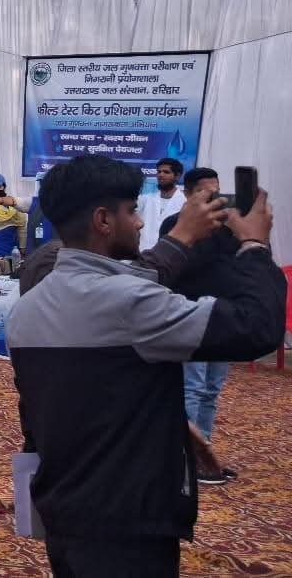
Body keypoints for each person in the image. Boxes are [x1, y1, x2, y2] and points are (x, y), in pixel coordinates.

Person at [7, 155, 283, 577]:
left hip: (64, 507)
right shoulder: (129, 303)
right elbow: (256, 328)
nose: (139, 223)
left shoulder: (27, 308)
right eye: (132, 211)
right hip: (126, 521)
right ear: (103, 220)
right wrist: (255, 245)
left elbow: (83, 393)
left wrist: (166, 419)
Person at [158, 167, 240, 481]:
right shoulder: (174, 225)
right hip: (190, 315)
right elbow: (182, 267)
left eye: (218, 190)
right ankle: (185, 460)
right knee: (192, 387)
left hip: (223, 315)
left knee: (211, 390)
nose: (215, 196)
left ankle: (205, 456)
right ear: (190, 194)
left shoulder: (228, 227)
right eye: (207, 191)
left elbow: (237, 264)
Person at [138, 158, 187, 251]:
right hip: (143, 253)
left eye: (166, 172)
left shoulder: (185, 202)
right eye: (159, 172)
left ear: (177, 176)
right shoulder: (145, 199)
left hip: (171, 254)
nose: (161, 175)